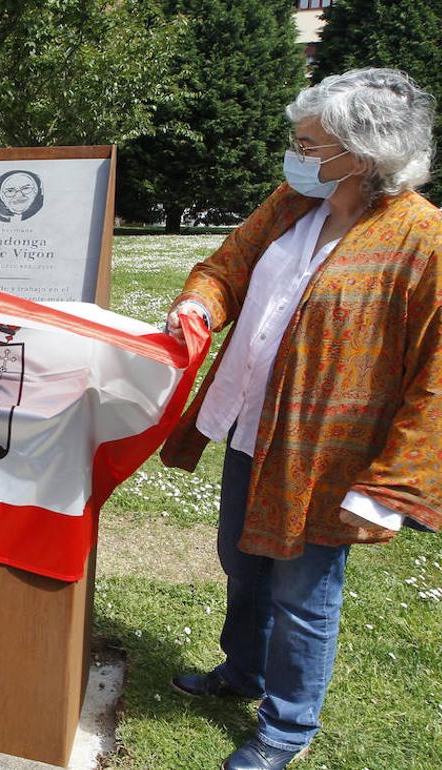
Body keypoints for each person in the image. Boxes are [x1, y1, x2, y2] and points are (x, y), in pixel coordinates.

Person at [161, 68, 440, 770]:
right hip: (252, 426)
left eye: (309, 142)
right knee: (241, 563)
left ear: (361, 152)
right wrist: (200, 303)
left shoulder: (422, 239)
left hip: (328, 457)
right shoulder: (293, 202)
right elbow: (227, 266)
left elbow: (437, 377)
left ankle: (286, 727)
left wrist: (391, 488)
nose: (296, 152)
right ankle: (244, 673)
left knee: (303, 593)